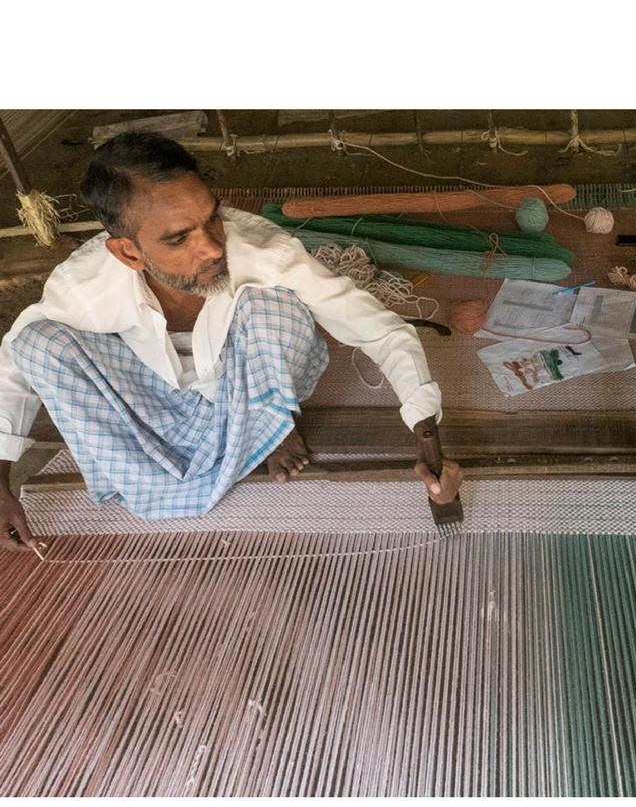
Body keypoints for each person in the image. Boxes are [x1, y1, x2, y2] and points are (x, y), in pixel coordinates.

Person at [0, 132, 462, 554]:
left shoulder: (264, 251)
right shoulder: (84, 284)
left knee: (273, 306)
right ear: (129, 252)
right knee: (39, 342)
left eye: (212, 219)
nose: (213, 248)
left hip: (248, 377)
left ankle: (277, 423)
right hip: (157, 396)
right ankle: (243, 442)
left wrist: (425, 432)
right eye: (180, 238)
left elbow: (378, 327)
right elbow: (16, 365)